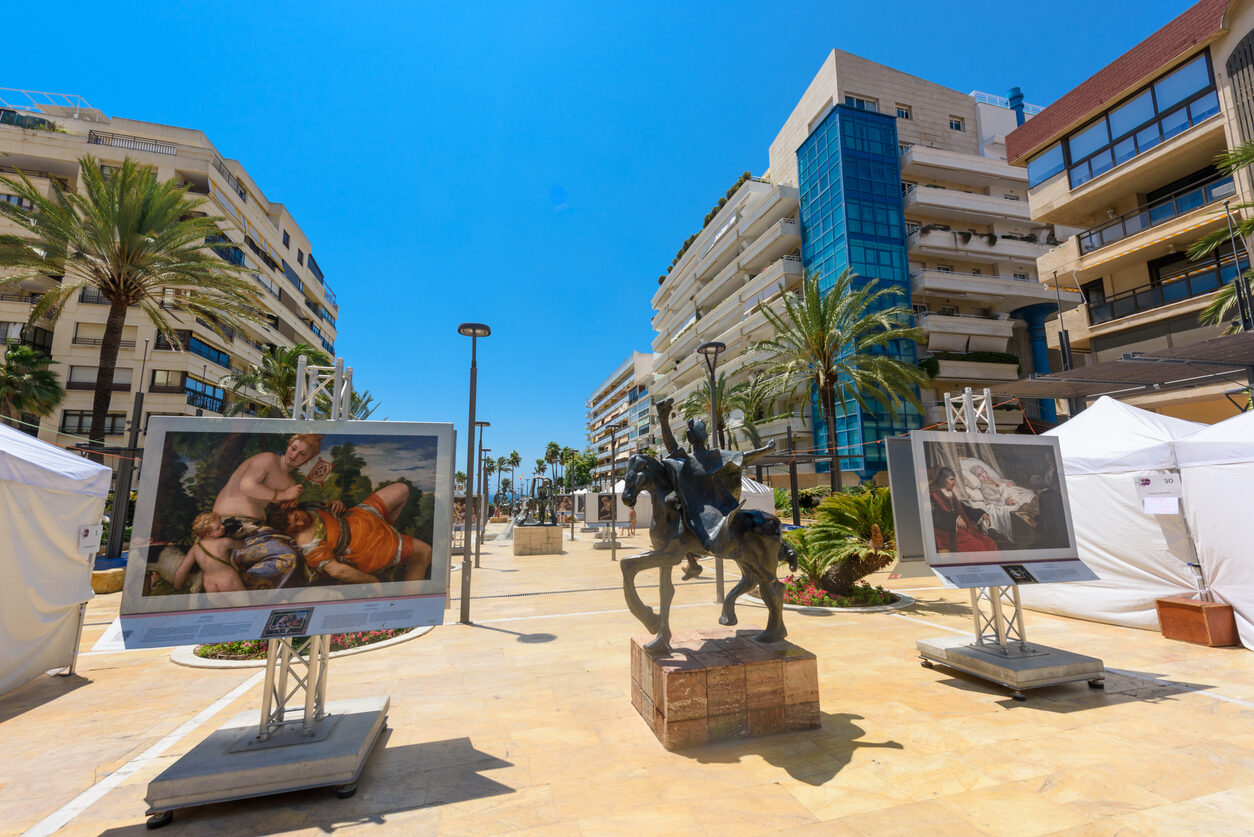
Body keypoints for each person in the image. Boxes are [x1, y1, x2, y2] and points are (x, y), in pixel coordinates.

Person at [213, 434, 330, 589]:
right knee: (287, 557)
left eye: (302, 454)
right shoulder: (268, 459)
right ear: (288, 445)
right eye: (293, 448)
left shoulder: (291, 482)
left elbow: (280, 515)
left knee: (298, 551)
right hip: (230, 525)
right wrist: (283, 495)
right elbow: (247, 486)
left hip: (256, 530)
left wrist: (286, 505)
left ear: (308, 459)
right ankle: (242, 585)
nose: (294, 455)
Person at [269, 482, 433, 584]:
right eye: (295, 527)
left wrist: (336, 505)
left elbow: (330, 510)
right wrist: (371, 580)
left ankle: (388, 528)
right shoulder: (307, 543)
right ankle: (407, 606)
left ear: (293, 509)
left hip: (362, 515)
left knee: (401, 489)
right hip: (368, 546)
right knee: (424, 552)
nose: (301, 523)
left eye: (297, 517)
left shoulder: (308, 506)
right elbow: (335, 570)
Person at [930, 467, 998, 554]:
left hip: (962, 529)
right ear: (943, 480)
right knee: (978, 546)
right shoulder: (934, 495)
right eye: (951, 480)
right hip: (948, 533)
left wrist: (980, 514)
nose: (954, 483)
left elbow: (962, 508)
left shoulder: (951, 494)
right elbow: (936, 516)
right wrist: (955, 519)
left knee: (990, 544)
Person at [173, 512, 245, 593]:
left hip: (209, 585)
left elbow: (182, 570)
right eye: (218, 528)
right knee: (244, 604)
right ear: (208, 534)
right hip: (228, 580)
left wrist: (177, 586)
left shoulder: (195, 549)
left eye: (221, 523)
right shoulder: (224, 542)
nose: (223, 526)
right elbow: (242, 545)